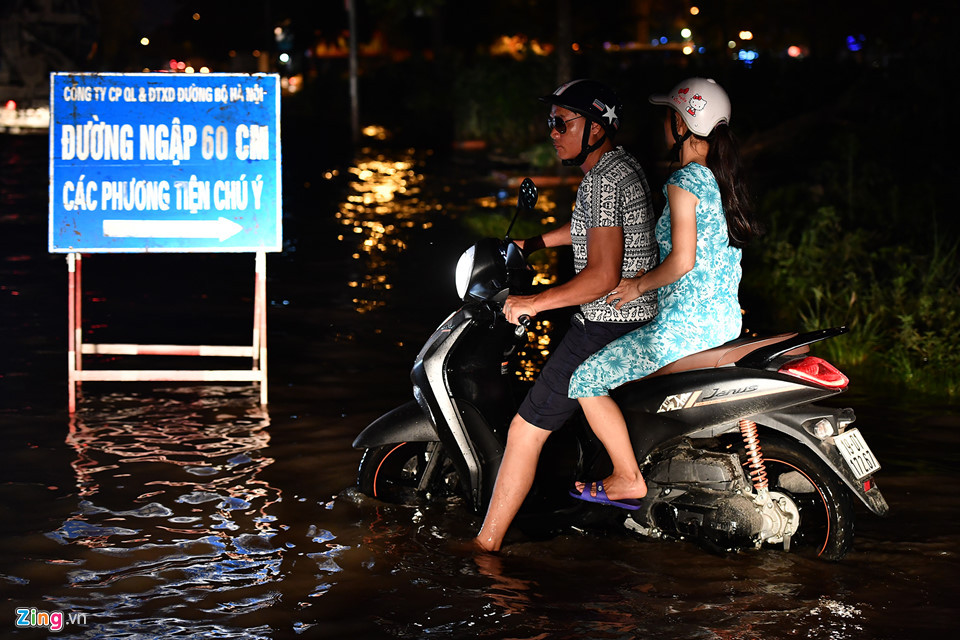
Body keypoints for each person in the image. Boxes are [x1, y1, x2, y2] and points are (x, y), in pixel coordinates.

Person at [473, 79, 658, 552]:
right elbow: (592, 229)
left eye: (561, 122)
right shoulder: (620, 167)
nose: (552, 132)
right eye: (549, 123)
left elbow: (599, 275)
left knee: (524, 430)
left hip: (606, 320)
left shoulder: (602, 179)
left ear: (595, 127)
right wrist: (532, 243)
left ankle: (485, 548)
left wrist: (532, 302)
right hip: (632, 315)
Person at [567, 77, 760, 508]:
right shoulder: (720, 178)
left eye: (667, 116)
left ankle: (626, 477)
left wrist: (635, 284)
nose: (663, 125)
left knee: (586, 379)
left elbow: (682, 261)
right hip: (725, 320)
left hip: (683, 327)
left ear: (680, 123)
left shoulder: (684, 182)